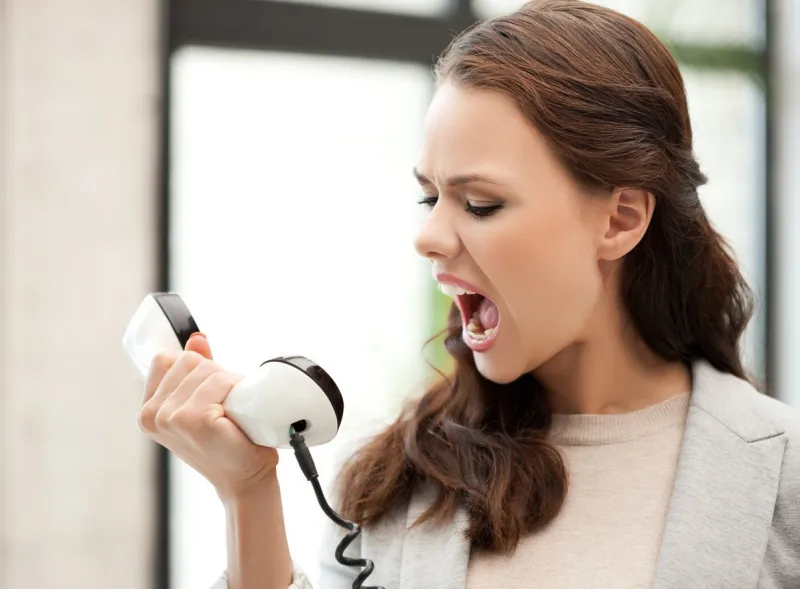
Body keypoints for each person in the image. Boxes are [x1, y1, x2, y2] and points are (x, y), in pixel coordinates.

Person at [138, 1, 800, 588]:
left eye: (480, 202)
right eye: (431, 196)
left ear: (621, 218)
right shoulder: (393, 479)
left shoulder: (783, 479)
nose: (427, 236)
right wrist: (248, 495)